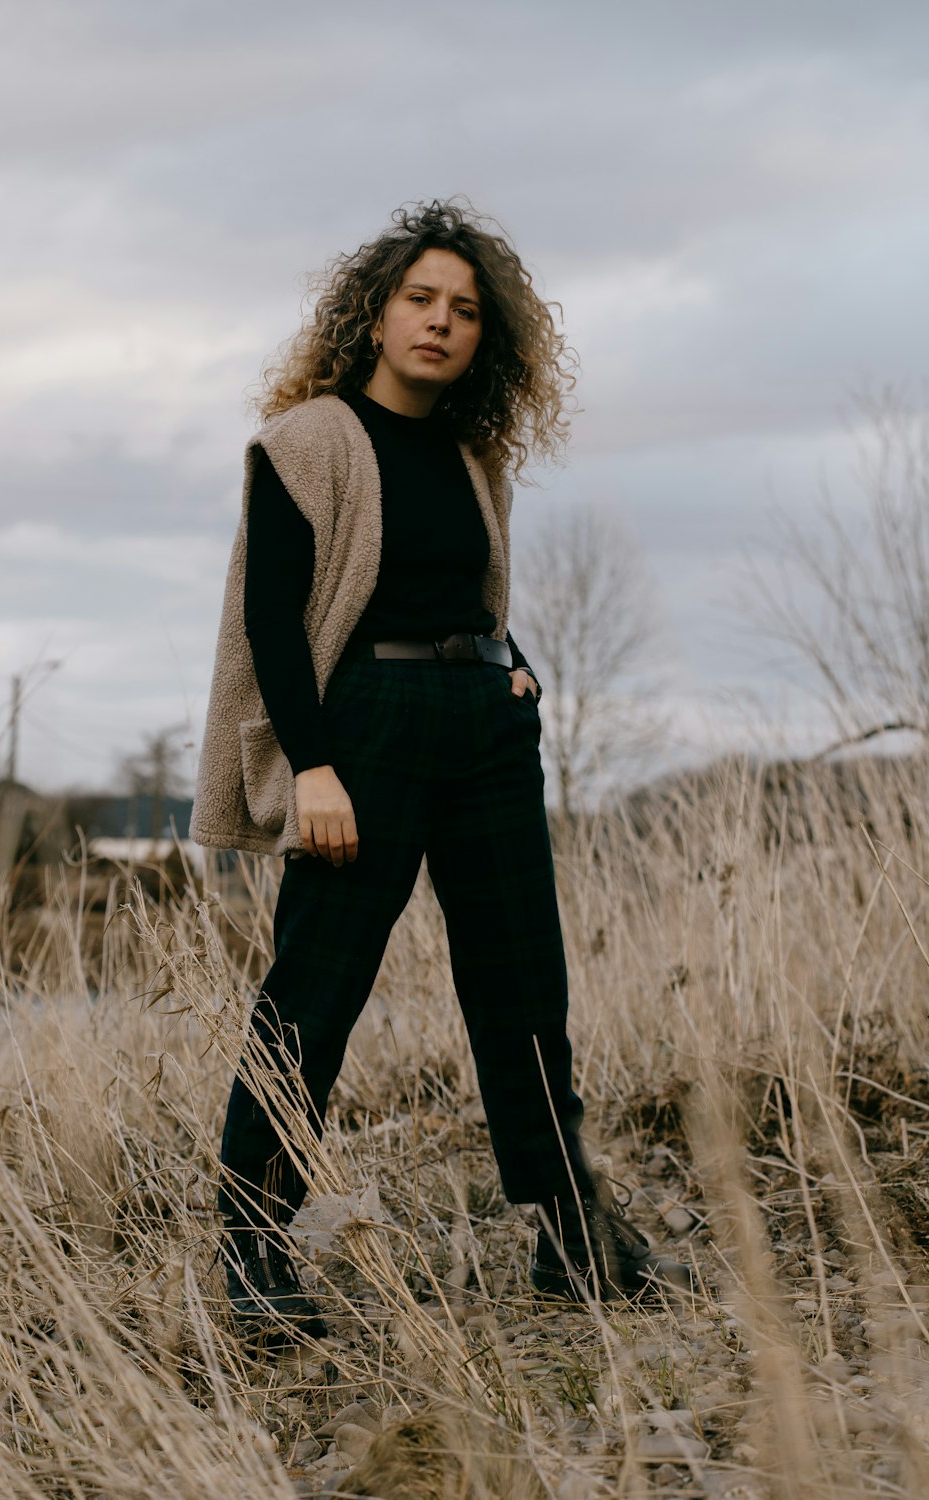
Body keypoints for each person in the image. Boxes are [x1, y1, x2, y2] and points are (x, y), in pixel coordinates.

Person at [191, 199, 691, 1341]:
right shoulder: (307, 441)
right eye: (420, 298)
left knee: (524, 991)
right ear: (373, 313)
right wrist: (312, 769)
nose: (440, 322)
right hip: (363, 731)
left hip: (482, 727)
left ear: (486, 336)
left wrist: (509, 665)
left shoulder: (475, 458)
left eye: (465, 310)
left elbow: (472, 593)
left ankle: (572, 1232)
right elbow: (273, 619)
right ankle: (251, 1250)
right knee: (314, 995)